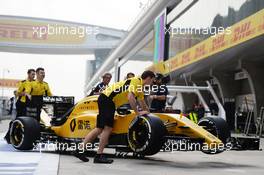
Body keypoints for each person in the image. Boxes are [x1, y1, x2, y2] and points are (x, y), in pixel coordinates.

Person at [74, 70, 155, 163]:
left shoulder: (140, 87)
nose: (152, 83)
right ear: (148, 78)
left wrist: (149, 113)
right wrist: (137, 112)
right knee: (107, 128)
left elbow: (142, 103)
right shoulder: (136, 81)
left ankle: (79, 150)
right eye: (152, 80)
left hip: (106, 99)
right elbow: (130, 97)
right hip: (108, 99)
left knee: (99, 128)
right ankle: (98, 156)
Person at [4, 69, 35, 144]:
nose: (33, 76)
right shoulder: (23, 82)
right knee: (18, 121)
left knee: (29, 122)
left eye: (34, 74)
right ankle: (8, 137)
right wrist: (25, 93)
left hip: (31, 105)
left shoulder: (36, 83)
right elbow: (17, 93)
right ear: (28, 74)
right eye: (32, 74)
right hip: (22, 104)